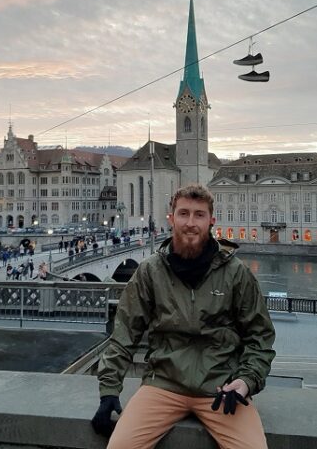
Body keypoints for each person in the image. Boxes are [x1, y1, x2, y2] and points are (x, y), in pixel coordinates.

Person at [92, 184, 276, 449]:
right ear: (172, 218)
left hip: (221, 388)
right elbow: (124, 334)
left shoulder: (236, 273)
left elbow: (260, 337)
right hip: (163, 385)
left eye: (199, 215)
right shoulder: (150, 271)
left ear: (211, 221)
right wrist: (109, 391)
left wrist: (246, 381)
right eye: (184, 214)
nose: (190, 223)